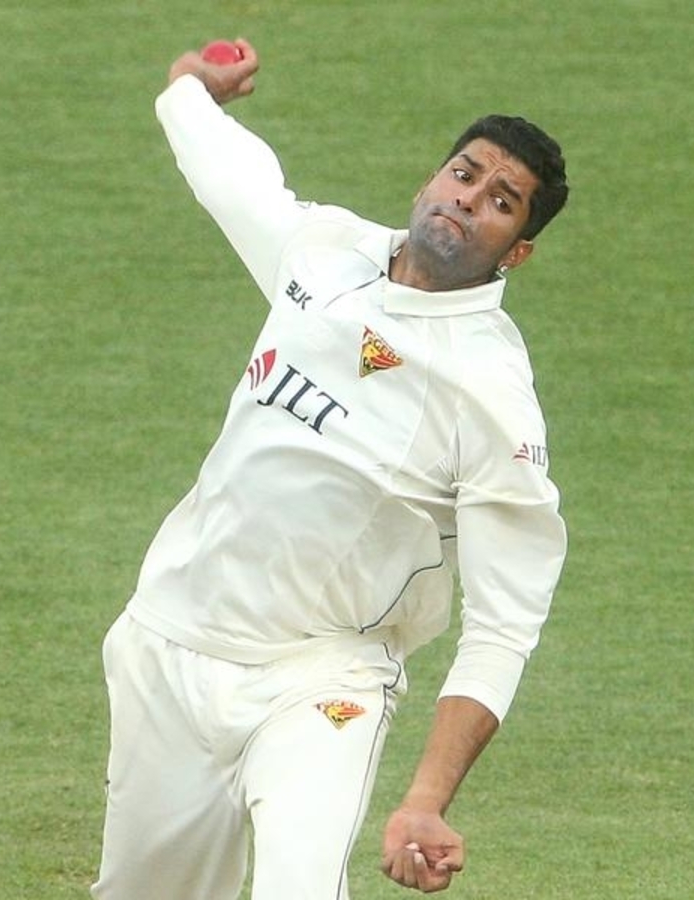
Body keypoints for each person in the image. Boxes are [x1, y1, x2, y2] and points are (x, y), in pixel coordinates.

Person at [92, 38, 569, 899]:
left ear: (517, 252)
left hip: (324, 678)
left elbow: (504, 628)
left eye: (502, 202)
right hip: (173, 639)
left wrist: (424, 802)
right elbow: (233, 177)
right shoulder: (324, 252)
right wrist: (191, 89)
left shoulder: (493, 395)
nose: (469, 200)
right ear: (430, 180)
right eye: (464, 175)